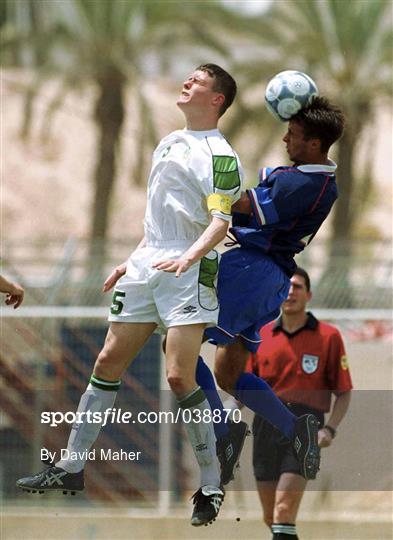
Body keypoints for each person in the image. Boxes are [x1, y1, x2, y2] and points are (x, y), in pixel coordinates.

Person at [16, 64, 243, 527]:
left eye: (198, 81)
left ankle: (211, 484)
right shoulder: (168, 142)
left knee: (180, 377)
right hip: (147, 265)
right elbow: (159, 218)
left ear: (217, 99)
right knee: (105, 363)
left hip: (188, 268)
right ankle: (71, 467)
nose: (187, 82)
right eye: (188, 77)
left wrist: (188, 258)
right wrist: (130, 259)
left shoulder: (220, 155)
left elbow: (220, 223)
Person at [193, 96, 346, 484]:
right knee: (229, 374)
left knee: (174, 340)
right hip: (269, 278)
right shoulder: (318, 177)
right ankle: (296, 430)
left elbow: (244, 204)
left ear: (314, 143)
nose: (284, 139)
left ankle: (221, 430)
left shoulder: (303, 182)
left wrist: (200, 189)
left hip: (249, 271)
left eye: (292, 134)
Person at [247, 267, 352, 540]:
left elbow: (343, 391)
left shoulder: (328, 336)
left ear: (309, 295)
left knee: (284, 509)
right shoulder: (261, 334)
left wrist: (329, 430)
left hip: (305, 428)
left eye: (297, 286)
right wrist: (229, 411)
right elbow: (246, 387)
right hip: (265, 427)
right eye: (286, 286)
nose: (291, 292)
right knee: (271, 517)